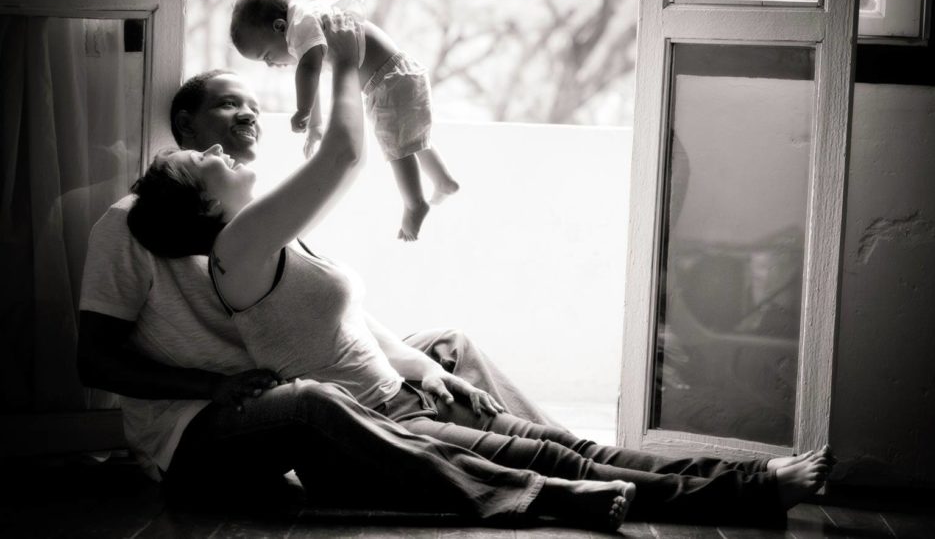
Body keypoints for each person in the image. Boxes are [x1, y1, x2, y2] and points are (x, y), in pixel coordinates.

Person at [127, 63, 835, 524]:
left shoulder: (262, 239)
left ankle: (750, 484)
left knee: (562, 445)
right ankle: (751, 491)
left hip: (399, 394)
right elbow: (342, 154)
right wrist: (340, 55)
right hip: (386, 419)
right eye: (203, 158)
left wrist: (426, 368)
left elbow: (345, 324)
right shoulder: (237, 249)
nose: (220, 153)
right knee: (560, 462)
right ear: (205, 209)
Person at [76, 66, 568, 516]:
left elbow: (336, 318)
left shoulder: (253, 214)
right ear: (185, 125)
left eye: (252, 104)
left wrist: (420, 366)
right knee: (309, 400)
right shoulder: (128, 224)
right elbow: (95, 361)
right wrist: (211, 387)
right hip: (202, 428)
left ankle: (565, 454)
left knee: (447, 347)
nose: (247, 113)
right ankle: (521, 488)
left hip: (289, 385)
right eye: (227, 103)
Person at [229, 0, 458, 241]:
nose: (271, 65)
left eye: (266, 55)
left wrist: (302, 109)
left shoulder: (301, 27)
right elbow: (310, 73)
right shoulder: (307, 23)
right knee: (412, 138)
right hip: (399, 75)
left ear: (279, 27)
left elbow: (308, 72)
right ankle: (443, 180)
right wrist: (315, 127)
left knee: (397, 149)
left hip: (388, 81)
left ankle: (415, 203)